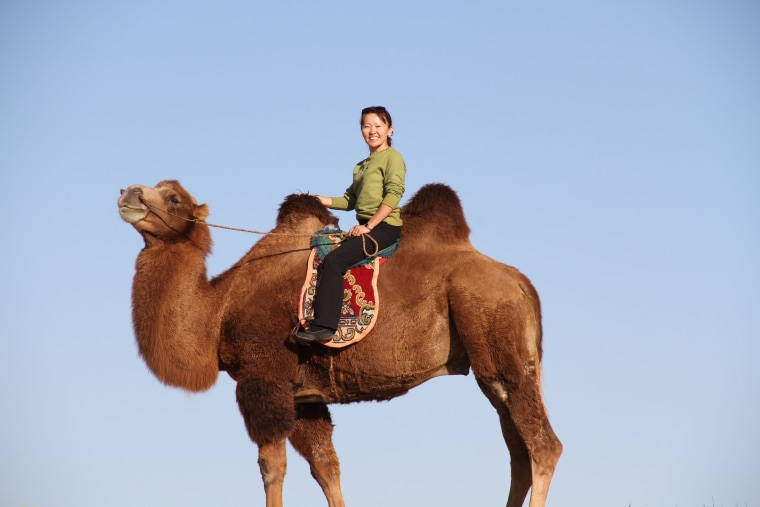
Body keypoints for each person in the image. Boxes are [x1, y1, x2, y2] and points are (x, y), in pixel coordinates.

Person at [295, 106, 406, 344]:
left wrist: (369, 226)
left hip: (384, 226)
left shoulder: (393, 158)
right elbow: (349, 201)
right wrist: (315, 200)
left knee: (334, 261)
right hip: (368, 225)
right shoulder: (361, 166)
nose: (372, 131)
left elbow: (394, 194)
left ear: (390, 129)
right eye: (367, 126)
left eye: (378, 125)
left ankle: (325, 326)